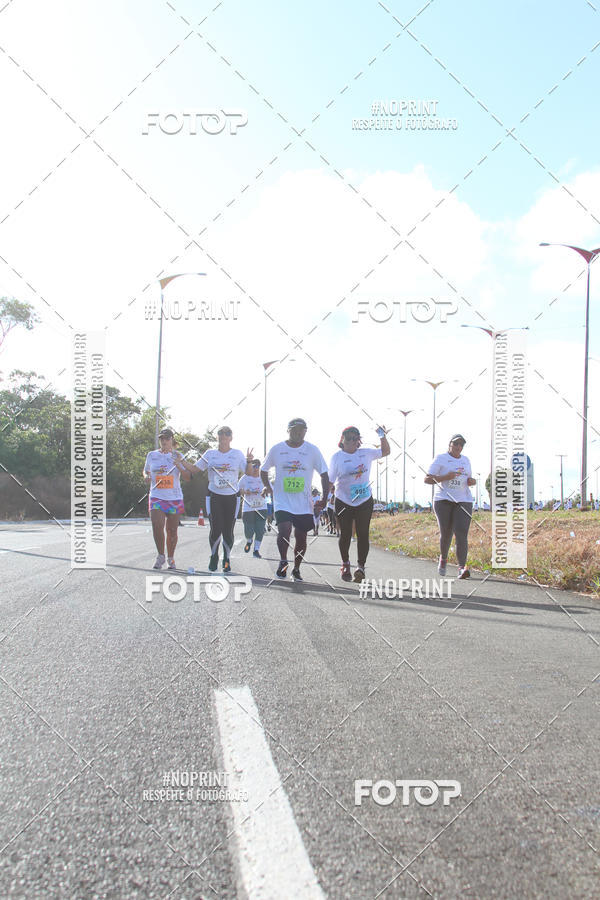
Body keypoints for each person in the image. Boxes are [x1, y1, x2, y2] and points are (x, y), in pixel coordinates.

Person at [261, 418, 329, 581]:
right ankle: (283, 561)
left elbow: (324, 474)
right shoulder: (277, 449)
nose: (298, 433)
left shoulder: (312, 450)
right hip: (282, 500)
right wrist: (268, 487)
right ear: (288, 430)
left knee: (301, 536)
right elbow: (263, 470)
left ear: (305, 431)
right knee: (284, 529)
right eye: (295, 430)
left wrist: (325, 498)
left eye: (302, 430)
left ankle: (297, 568)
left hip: (303, 502)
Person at [180, 426, 252, 572]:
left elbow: (249, 473)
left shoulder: (237, 454)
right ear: (217, 437)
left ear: (231, 438)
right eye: (221, 434)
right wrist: (181, 461)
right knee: (215, 529)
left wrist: (249, 460)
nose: (223, 437)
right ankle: (214, 555)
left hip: (232, 497)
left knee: (228, 530)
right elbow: (194, 469)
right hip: (214, 496)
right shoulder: (210, 454)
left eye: (227, 434)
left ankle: (226, 558)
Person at [329, 425, 390, 582]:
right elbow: (330, 481)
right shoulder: (337, 457)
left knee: (363, 533)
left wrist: (382, 436)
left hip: (363, 499)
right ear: (342, 440)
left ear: (359, 441)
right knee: (346, 534)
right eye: (348, 438)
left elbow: (386, 451)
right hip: (343, 500)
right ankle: (345, 564)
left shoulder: (366, 453)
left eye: (355, 438)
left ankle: (361, 567)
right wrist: (325, 498)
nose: (351, 441)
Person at [424, 433, 476, 579]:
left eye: (461, 445)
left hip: (463, 500)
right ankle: (443, 559)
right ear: (450, 444)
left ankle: (461, 568)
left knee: (461, 533)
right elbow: (427, 479)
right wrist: (445, 477)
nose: (459, 447)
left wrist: (472, 481)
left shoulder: (466, 460)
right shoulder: (441, 458)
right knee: (446, 533)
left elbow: (468, 479)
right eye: (456, 444)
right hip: (444, 500)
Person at [144, 428, 190, 570]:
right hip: (157, 496)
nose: (164, 441)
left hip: (174, 498)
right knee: (157, 526)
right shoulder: (152, 455)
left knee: (172, 530)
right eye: (162, 439)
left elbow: (188, 477)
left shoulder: (178, 455)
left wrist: (179, 466)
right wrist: (146, 476)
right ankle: (160, 556)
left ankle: (171, 557)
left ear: (172, 440)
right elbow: (146, 470)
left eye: (167, 438)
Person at [239, 459, 268, 558]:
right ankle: (249, 540)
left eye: (257, 467)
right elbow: (238, 489)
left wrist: (265, 489)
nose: (255, 469)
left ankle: (256, 550)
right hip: (248, 508)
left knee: (260, 530)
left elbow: (269, 487)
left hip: (261, 507)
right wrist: (244, 492)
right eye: (253, 466)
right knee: (249, 530)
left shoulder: (263, 478)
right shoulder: (245, 478)